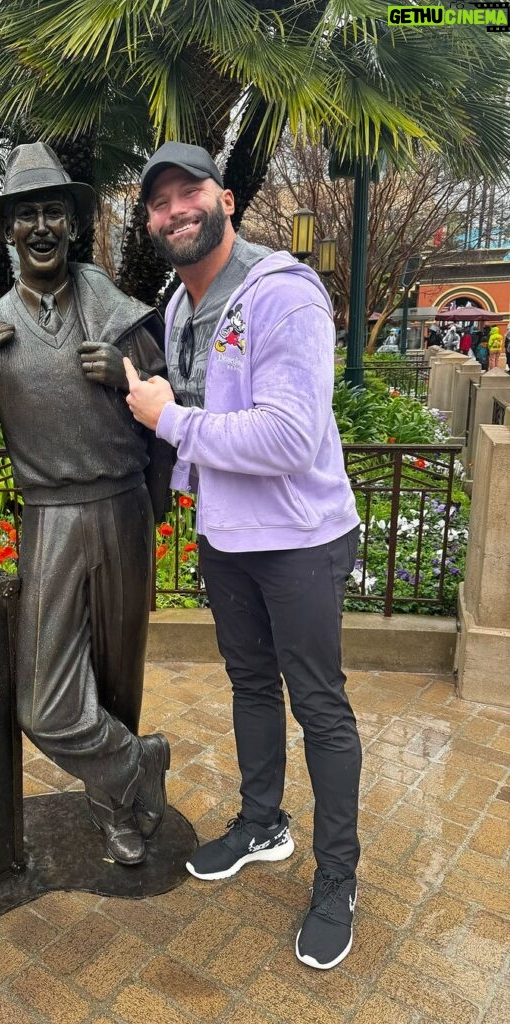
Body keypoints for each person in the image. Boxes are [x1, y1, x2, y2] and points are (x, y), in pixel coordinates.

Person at [124, 141, 362, 970]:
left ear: (224, 200)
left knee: (320, 707)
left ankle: (337, 878)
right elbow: (199, 417)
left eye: (189, 191)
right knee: (251, 686)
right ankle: (262, 822)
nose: (175, 209)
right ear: (148, 219)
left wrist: (168, 422)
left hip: (299, 541)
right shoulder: (181, 306)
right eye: (158, 201)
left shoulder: (282, 295)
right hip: (228, 541)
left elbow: (289, 437)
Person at [0, 143, 172, 866]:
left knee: (116, 673)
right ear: (7, 229)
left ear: (71, 223)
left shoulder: (121, 316)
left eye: (52, 212)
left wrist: (123, 384)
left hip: (122, 510)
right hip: (50, 520)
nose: (39, 226)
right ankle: (137, 762)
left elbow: (166, 422)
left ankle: (116, 812)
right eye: (24, 214)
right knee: (42, 699)